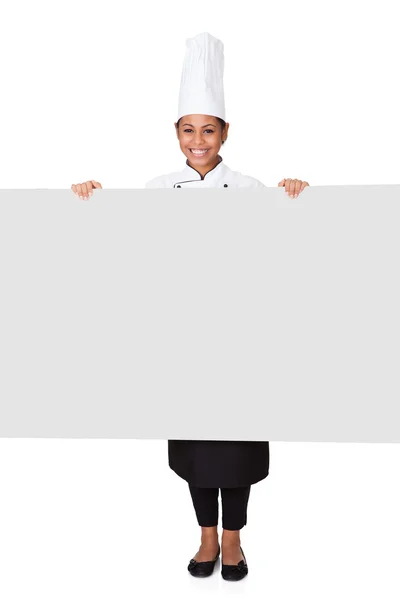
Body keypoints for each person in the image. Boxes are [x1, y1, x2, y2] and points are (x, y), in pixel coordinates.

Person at [71, 32, 309, 581]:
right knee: (199, 450)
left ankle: (233, 541)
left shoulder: (252, 189)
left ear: (226, 132)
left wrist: (296, 197)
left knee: (238, 451)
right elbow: (120, 254)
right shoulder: (156, 189)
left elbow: (291, 255)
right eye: (187, 130)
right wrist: (87, 204)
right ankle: (204, 535)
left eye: (208, 129)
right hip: (181, 345)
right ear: (175, 134)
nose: (197, 140)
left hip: (242, 344)